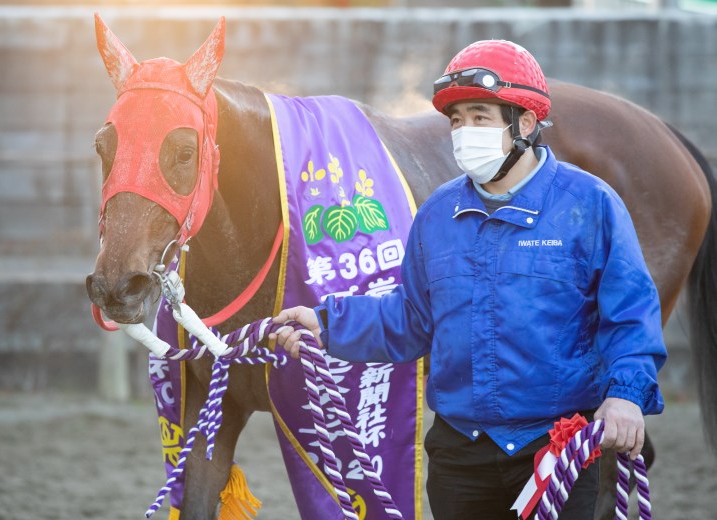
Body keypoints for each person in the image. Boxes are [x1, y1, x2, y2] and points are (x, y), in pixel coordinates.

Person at [270, 39, 666, 519]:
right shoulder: (438, 213)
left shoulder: (590, 205)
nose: (463, 133)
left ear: (524, 123)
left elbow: (631, 314)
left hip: (556, 447)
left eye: (480, 117)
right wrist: (326, 324)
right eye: (457, 120)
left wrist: (625, 395)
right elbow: (411, 318)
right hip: (459, 454)